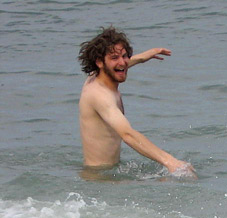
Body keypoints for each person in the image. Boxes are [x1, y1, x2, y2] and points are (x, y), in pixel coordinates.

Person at [78, 26, 196, 176]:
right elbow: (127, 134)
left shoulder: (95, 77)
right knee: (178, 179)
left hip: (107, 172)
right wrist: (170, 162)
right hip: (99, 178)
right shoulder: (99, 96)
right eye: (114, 58)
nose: (122, 62)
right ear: (99, 62)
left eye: (125, 56)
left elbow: (120, 64)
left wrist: (144, 56)